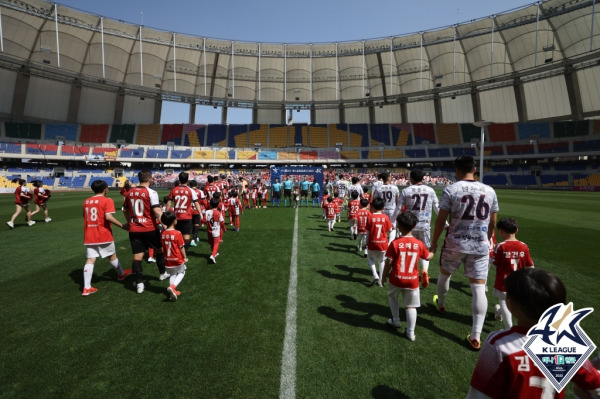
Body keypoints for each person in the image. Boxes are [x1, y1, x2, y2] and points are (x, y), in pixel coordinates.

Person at [466, 267, 600, 399]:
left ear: (510, 305)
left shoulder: (499, 343)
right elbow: (596, 385)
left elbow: (478, 395)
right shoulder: (570, 348)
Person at [430, 155, 499, 350]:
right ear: (475, 169)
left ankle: (441, 304)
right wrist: (488, 237)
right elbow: (493, 222)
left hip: (455, 242)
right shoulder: (490, 190)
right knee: (478, 287)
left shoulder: (451, 189)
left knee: (444, 273)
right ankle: (476, 336)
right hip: (479, 244)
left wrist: (434, 243)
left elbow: (440, 219)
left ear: (457, 170)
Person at [381, 211, 434, 341]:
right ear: (414, 226)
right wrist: (433, 250)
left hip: (396, 278)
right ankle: (411, 333)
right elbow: (427, 257)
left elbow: (388, 262)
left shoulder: (394, 243)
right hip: (412, 280)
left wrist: (383, 276)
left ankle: (396, 320)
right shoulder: (419, 244)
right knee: (411, 306)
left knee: (392, 297)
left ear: (398, 225)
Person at [82, 179, 131, 296]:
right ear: (105, 190)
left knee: (90, 259)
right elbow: (108, 217)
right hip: (103, 233)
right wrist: (122, 226)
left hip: (89, 233)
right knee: (112, 255)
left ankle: (86, 287)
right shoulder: (107, 200)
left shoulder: (86, 201)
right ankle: (121, 274)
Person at [122, 169, 168, 294]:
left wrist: (130, 222)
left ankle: (139, 284)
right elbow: (157, 211)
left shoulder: (130, 192)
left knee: (137, 257)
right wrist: (164, 224)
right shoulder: (151, 192)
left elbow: (124, 209)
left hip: (134, 229)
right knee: (159, 249)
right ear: (150, 179)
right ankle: (162, 273)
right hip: (149, 228)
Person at [491, 217, 534, 328]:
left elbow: (494, 263)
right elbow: (530, 265)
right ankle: (499, 311)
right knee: (512, 301)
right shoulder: (524, 246)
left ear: (500, 231)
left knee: (504, 302)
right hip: (519, 281)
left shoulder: (501, 246)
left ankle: (509, 328)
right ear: (516, 231)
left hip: (503, 281)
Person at [399, 169, 443, 275]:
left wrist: (392, 222)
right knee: (425, 249)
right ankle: (424, 270)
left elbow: (398, 208)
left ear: (412, 178)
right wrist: (445, 224)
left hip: (410, 225)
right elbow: (437, 208)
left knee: (409, 248)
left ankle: (409, 271)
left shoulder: (406, 190)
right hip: (425, 224)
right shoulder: (430, 190)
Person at [166, 172, 203, 250]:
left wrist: (166, 214)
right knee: (186, 238)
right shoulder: (191, 191)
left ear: (179, 179)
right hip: (187, 217)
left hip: (176, 217)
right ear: (188, 180)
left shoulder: (174, 190)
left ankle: (177, 254)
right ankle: (184, 256)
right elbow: (196, 203)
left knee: (176, 236)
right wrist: (200, 213)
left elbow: (169, 203)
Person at [365, 197, 393, 286]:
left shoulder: (370, 217)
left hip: (372, 242)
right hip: (383, 243)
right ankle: (381, 281)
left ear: (372, 207)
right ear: (383, 207)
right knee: (381, 261)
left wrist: (366, 242)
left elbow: (367, 232)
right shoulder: (386, 217)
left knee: (370, 258)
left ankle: (374, 274)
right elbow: (390, 230)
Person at [160, 211, 187, 302]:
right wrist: (185, 257)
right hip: (177, 258)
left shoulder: (162, 233)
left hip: (167, 259)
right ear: (175, 221)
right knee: (182, 272)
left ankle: (172, 292)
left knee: (172, 274)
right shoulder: (177, 233)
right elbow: (181, 247)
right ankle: (173, 286)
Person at [372, 172, 400, 242]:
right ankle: (390, 243)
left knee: (383, 226)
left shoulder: (378, 188)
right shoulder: (395, 187)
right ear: (388, 178)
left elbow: (375, 199)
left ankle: (383, 240)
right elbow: (397, 200)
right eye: (390, 177)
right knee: (393, 228)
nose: (391, 178)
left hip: (382, 209)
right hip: (392, 209)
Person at [205, 198, 225, 264]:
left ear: (210, 204)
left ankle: (214, 253)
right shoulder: (219, 213)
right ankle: (213, 256)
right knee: (216, 243)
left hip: (209, 230)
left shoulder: (207, 212)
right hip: (216, 230)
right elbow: (222, 222)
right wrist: (224, 228)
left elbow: (203, 220)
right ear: (218, 205)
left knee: (211, 243)